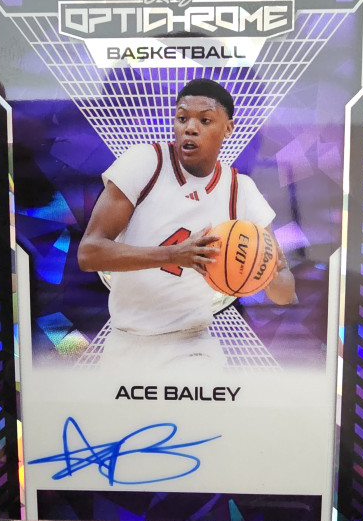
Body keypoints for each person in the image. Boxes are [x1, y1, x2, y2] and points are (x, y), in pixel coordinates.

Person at [77, 78, 295, 371]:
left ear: (228, 128)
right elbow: (89, 253)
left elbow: (284, 294)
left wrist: (270, 273)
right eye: (182, 118)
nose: (190, 128)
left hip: (192, 343)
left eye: (205, 120)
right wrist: (173, 255)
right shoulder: (146, 162)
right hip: (126, 340)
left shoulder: (239, 190)